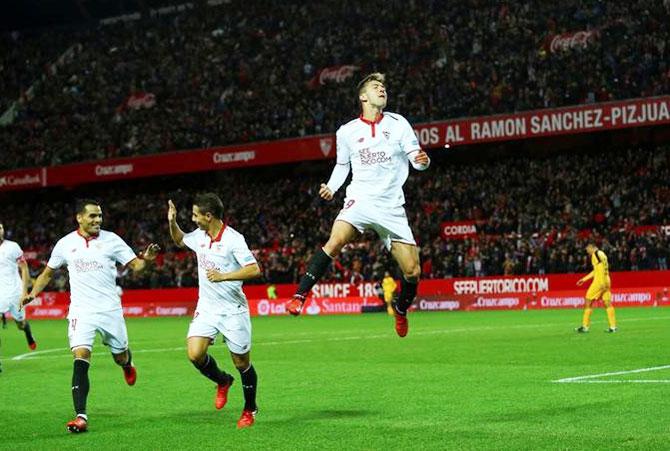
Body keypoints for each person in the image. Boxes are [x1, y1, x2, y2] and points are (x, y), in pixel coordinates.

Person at [286, 72, 430, 337]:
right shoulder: (347, 132)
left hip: (390, 206)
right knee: (335, 240)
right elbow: (343, 166)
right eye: (376, 86)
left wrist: (423, 161)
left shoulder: (399, 123)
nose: (382, 89)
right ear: (363, 96)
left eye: (384, 86)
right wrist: (331, 187)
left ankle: (400, 308)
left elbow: (416, 159)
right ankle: (299, 295)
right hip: (360, 200)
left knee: (412, 271)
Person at [21, 199, 160, 433]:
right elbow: (47, 273)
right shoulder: (65, 244)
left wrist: (147, 260)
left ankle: (127, 364)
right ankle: (81, 416)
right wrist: (32, 294)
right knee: (81, 355)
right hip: (81, 311)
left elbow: (136, 267)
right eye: (93, 216)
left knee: (120, 356)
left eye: (100, 216)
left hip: (110, 310)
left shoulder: (112, 240)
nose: (97, 220)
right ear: (79, 218)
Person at [167, 194, 261, 429]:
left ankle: (250, 408)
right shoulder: (199, 236)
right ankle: (222, 380)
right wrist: (172, 222)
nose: (193, 219)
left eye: (195, 215)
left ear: (208, 216)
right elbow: (179, 240)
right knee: (194, 354)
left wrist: (224, 276)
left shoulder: (233, 239)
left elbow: (254, 270)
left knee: (242, 363)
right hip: (207, 308)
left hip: (233, 309)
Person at [0, 222, 37, 356]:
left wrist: (24, 292)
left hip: (14, 292)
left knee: (20, 324)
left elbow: (24, 267)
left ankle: (28, 332)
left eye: (1, 228)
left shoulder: (12, 247)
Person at [575, 243, 617, 333]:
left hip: (599, 281)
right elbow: (597, 270)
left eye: (587, 249)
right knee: (607, 303)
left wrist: (601, 282)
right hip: (607, 280)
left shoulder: (595, 255)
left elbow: (599, 270)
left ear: (591, 248)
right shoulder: (602, 254)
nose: (587, 251)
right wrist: (584, 279)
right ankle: (613, 327)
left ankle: (585, 326)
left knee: (588, 301)